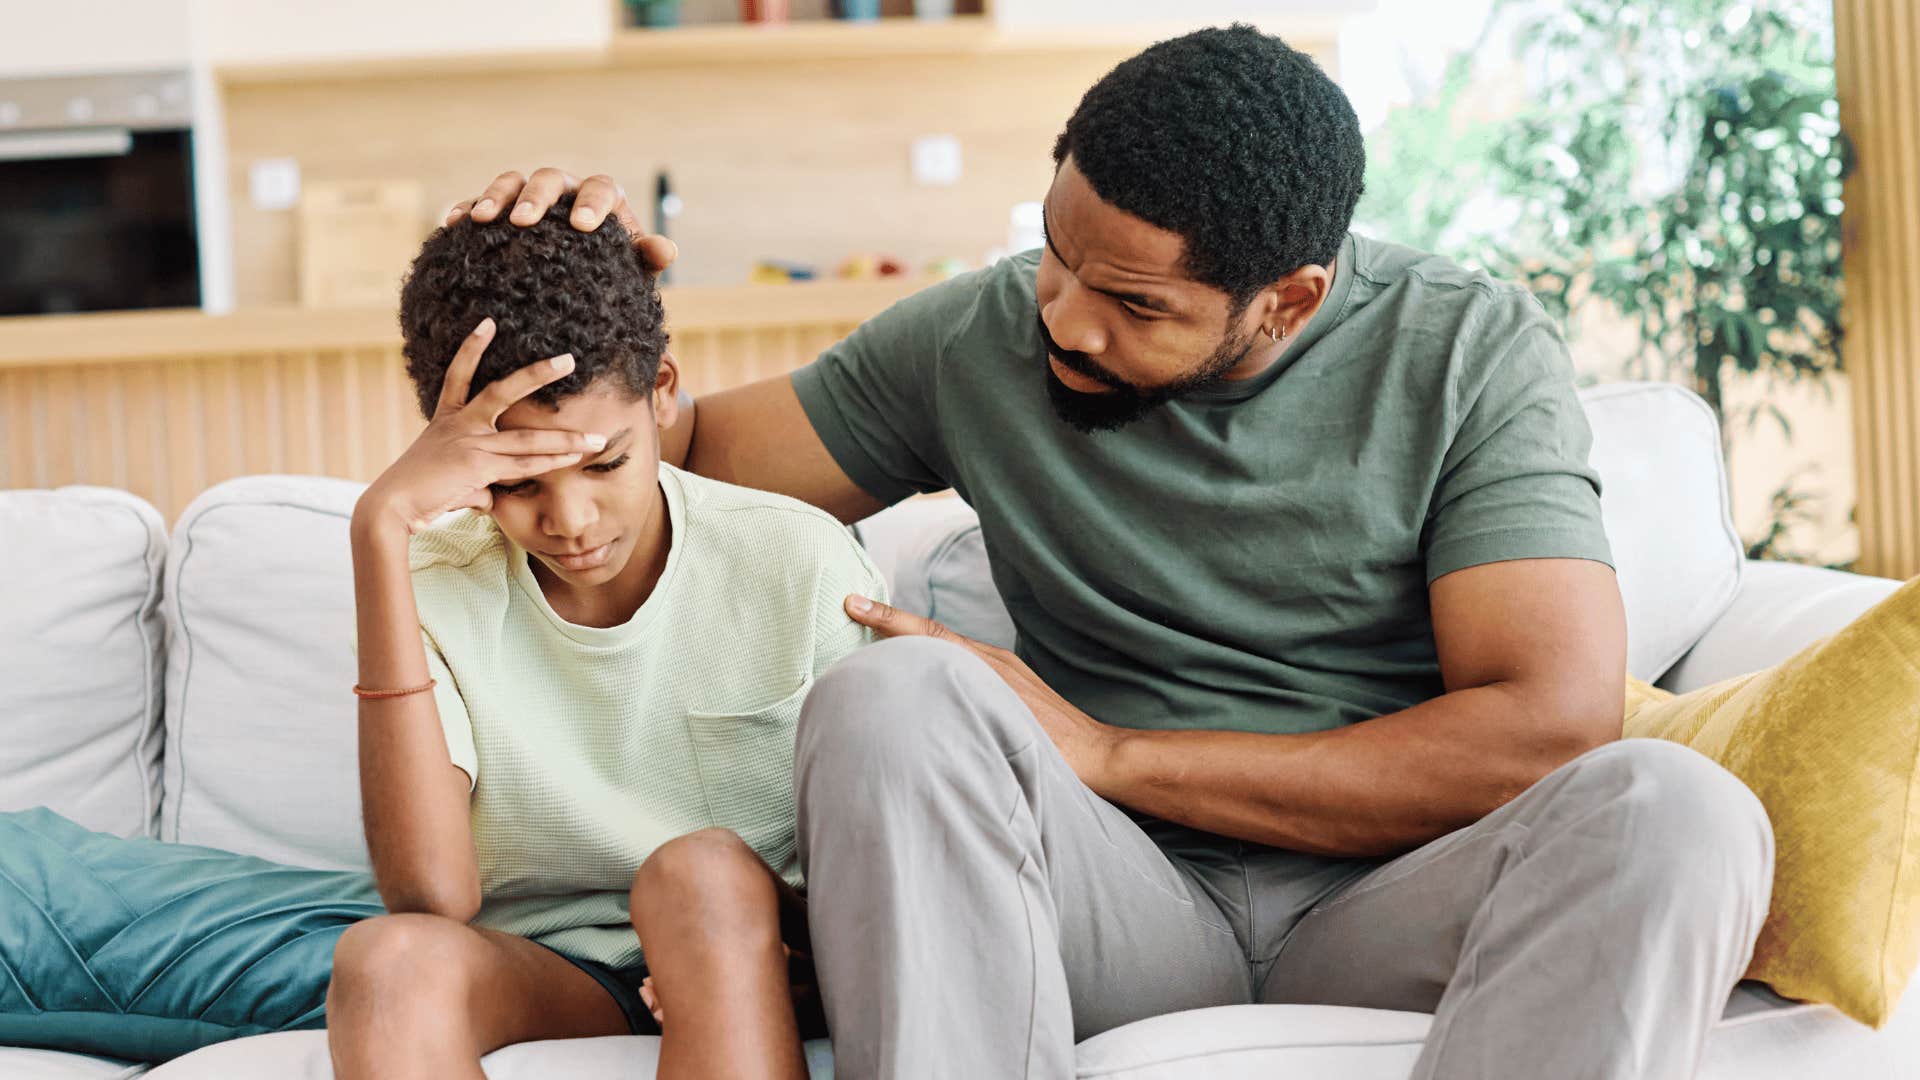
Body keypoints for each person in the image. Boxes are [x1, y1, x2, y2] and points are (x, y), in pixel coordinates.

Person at [460, 24, 1773, 1080]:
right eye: (1057, 258)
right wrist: (583, 291)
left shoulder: (1467, 352)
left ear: (1290, 299)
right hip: (1112, 904)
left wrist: (1108, 751)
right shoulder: (983, 337)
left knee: (1681, 811)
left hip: (1397, 901)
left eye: (1137, 304)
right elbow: (677, 456)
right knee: (893, 694)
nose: (1069, 325)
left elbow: (1545, 729)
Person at [326, 195, 880, 1080]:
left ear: (662, 393)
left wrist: (786, 957)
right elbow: (430, 894)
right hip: (551, 972)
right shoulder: (433, 581)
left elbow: (879, 871)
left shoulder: (797, 558)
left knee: (697, 876)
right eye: (518, 482)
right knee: (384, 960)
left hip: (753, 953)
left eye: (604, 463)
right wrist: (379, 527)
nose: (570, 521)